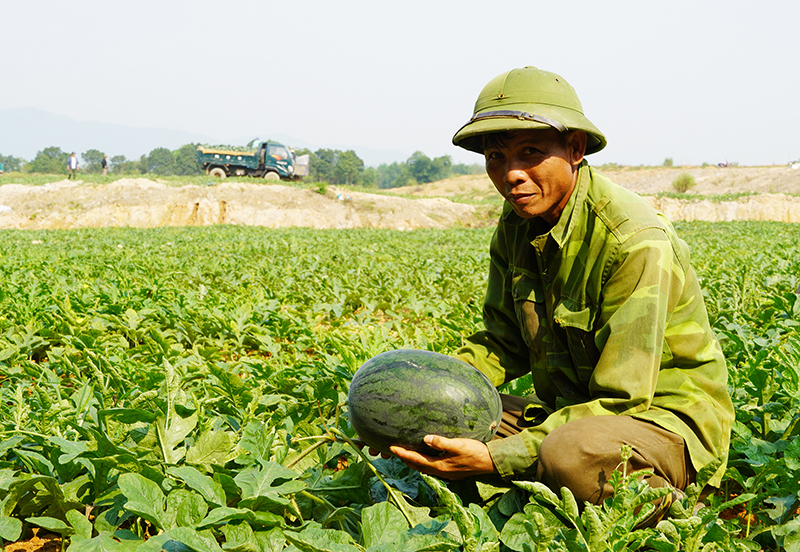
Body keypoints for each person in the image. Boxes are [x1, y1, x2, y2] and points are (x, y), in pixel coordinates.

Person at [391, 66, 734, 525]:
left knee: (568, 452)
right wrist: (421, 395)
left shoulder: (633, 240)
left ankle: (667, 506)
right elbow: (502, 341)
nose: (510, 174)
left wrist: (498, 458)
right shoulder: (516, 226)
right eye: (495, 156)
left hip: (664, 425)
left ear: (575, 149)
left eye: (530, 152)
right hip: (572, 414)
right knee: (434, 423)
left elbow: (622, 401)